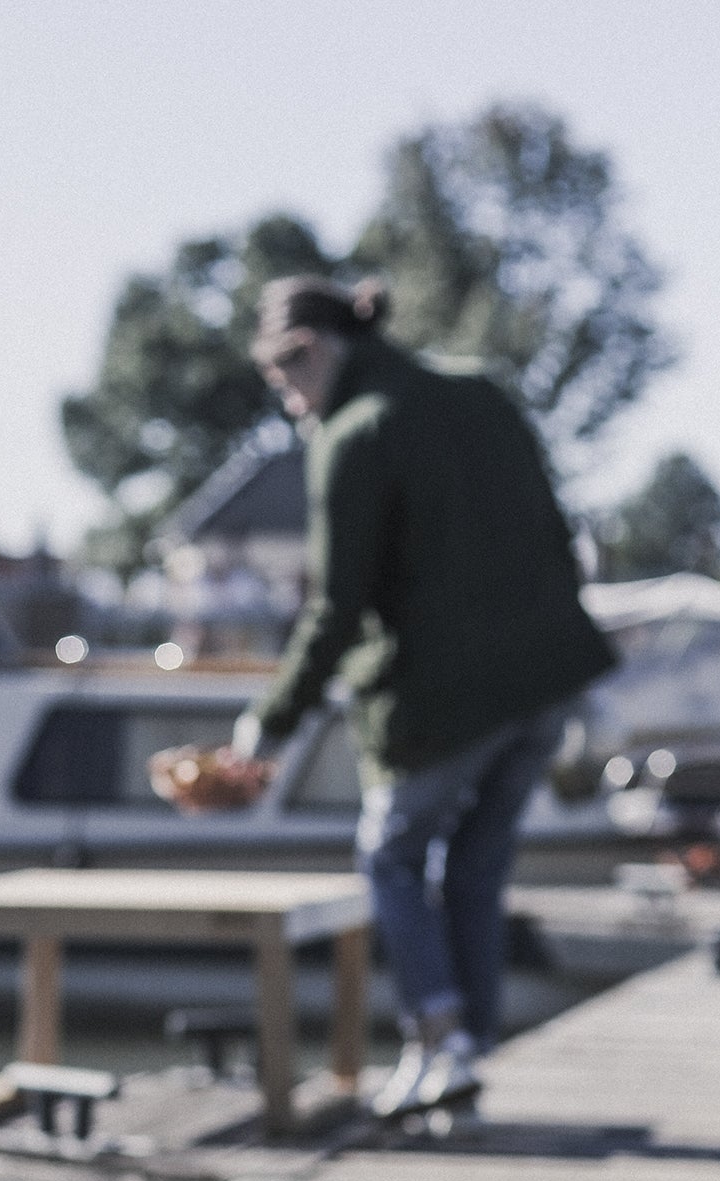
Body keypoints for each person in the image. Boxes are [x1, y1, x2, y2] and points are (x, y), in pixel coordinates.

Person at [227, 277, 616, 1116]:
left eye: (284, 378)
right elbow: (556, 535)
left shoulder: (354, 432)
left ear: (314, 351)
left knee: (391, 858)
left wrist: (269, 722)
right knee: (474, 871)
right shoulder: (481, 395)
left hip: (448, 696)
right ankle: (464, 1062)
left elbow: (336, 605)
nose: (288, 401)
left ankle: (439, 1041)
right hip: (547, 684)